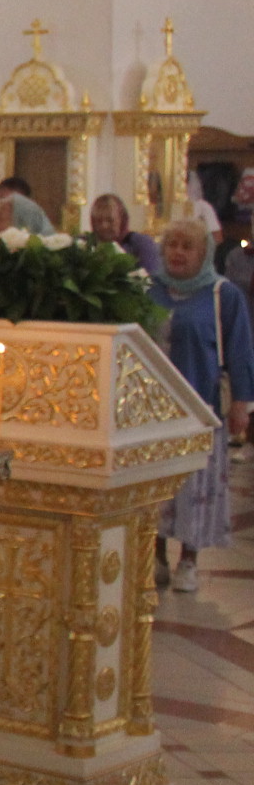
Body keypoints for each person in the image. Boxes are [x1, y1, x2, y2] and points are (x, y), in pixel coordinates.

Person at [147, 216, 254, 592]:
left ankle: (189, 560)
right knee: (157, 485)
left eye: (187, 246)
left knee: (196, 486)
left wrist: (241, 403)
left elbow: (240, 351)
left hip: (201, 405)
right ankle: (156, 555)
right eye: (172, 245)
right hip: (153, 409)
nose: (177, 252)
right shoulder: (149, 290)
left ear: (203, 253)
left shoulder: (223, 294)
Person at [90, 194, 164, 278]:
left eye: (110, 220)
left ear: (122, 219)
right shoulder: (87, 245)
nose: (104, 226)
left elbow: (151, 279)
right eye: (98, 221)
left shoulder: (141, 243)